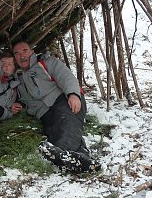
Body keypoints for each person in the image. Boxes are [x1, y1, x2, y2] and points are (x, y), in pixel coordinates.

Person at [13, 40, 98, 173]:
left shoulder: (47, 63)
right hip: (46, 111)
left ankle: (61, 153)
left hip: (64, 99)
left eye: (24, 51)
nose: (21, 56)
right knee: (54, 131)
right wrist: (35, 111)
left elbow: (66, 77)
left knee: (67, 121)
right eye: (17, 53)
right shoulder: (18, 78)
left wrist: (73, 94)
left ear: (32, 51)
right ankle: (83, 158)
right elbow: (27, 100)